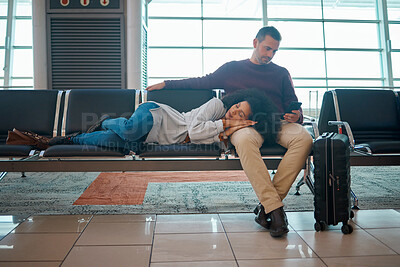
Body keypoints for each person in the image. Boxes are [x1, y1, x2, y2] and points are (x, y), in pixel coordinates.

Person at [146, 26, 313, 237]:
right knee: (243, 141)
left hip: (276, 122)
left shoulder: (281, 73)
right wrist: (166, 84)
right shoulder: (232, 69)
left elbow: (292, 104)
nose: (269, 55)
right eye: (267, 48)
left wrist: (297, 116)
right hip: (243, 125)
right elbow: (201, 82)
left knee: (304, 139)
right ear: (255, 43)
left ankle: (269, 206)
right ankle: (275, 209)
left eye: (274, 51)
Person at [49, 89, 281, 155]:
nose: (235, 111)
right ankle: (109, 120)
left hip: (153, 139)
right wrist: (226, 125)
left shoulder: (229, 133)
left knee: (110, 141)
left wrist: (229, 130)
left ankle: (63, 140)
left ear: (248, 121)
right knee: (129, 130)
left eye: (241, 114)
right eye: (238, 105)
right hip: (157, 115)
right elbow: (194, 130)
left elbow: (201, 139)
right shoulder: (216, 105)